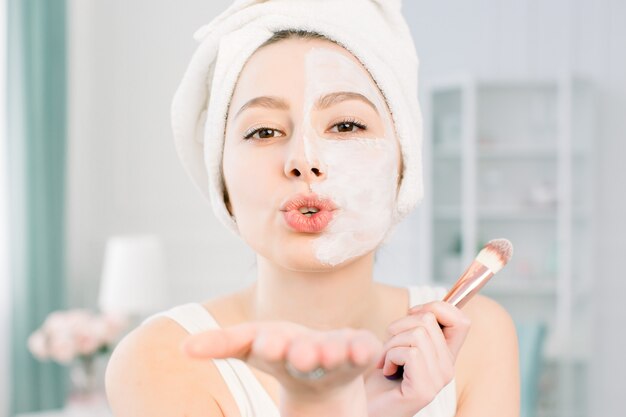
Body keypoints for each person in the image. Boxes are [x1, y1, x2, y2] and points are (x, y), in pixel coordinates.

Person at [105, 1, 520, 416]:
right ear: (222, 180)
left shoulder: (475, 337)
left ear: (402, 167)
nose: (303, 159)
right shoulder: (161, 359)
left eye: (346, 125)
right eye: (263, 130)